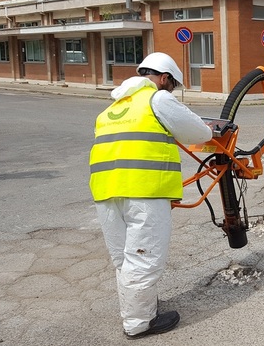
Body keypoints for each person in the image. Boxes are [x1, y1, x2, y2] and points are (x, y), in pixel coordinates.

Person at [89, 52, 211, 338]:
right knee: (144, 258)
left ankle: (139, 307)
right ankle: (139, 323)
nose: (172, 91)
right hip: (144, 190)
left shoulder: (113, 107)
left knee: (124, 259)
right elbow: (199, 133)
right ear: (165, 78)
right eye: (173, 85)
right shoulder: (158, 99)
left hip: (106, 192)